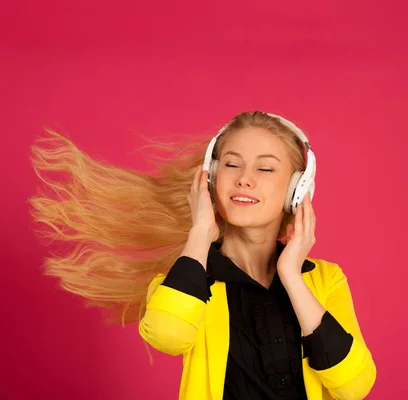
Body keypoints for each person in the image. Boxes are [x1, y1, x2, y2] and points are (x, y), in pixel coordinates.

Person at [29, 111, 376, 400]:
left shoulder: (325, 279)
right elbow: (167, 334)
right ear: (209, 180)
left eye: (265, 169)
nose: (244, 180)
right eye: (231, 165)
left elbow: (354, 385)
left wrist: (291, 276)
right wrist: (199, 234)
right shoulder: (187, 278)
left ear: (297, 189)